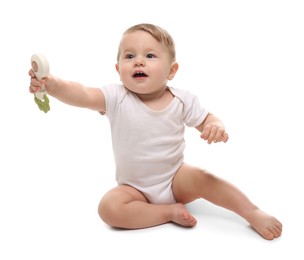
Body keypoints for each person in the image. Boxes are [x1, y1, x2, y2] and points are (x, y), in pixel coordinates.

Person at [29, 23, 282, 240]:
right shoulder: (116, 97)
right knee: (108, 208)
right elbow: (82, 93)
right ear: (119, 70)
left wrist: (215, 126)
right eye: (129, 56)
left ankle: (251, 211)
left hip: (175, 178)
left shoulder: (182, 100)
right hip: (134, 188)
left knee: (206, 178)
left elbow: (206, 119)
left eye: (150, 56)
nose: (138, 61)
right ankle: (167, 213)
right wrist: (53, 85)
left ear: (171, 71)